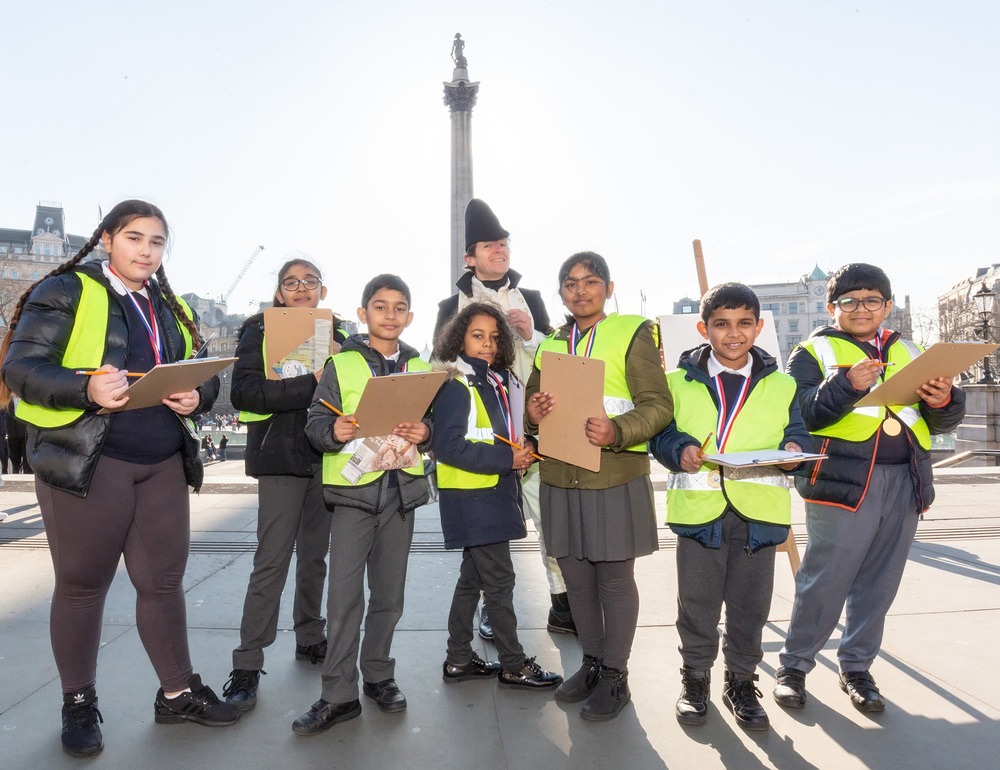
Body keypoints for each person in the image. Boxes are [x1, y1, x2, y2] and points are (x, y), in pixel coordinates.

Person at [0, 200, 240, 758]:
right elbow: (20, 367)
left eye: (157, 242)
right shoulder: (64, 288)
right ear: (107, 239)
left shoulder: (171, 304)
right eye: (135, 238)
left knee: (162, 584)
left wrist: (197, 395)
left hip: (161, 463)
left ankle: (177, 692)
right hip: (91, 461)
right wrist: (85, 389)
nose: (147, 251)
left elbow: (201, 370)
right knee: (84, 586)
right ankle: (78, 702)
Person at [773, 263, 966, 714]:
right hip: (842, 483)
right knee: (825, 581)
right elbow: (803, 415)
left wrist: (944, 400)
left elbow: (938, 421)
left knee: (880, 583)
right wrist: (844, 384)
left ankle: (856, 667)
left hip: (906, 480)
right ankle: (794, 668)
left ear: (888, 305)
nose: (861, 308)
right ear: (831, 306)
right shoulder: (812, 351)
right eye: (849, 301)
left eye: (871, 300)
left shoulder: (911, 350)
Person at [649, 283, 812, 731]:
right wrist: (678, 448)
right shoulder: (675, 383)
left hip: (759, 514)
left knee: (751, 606)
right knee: (697, 605)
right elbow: (659, 435)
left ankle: (740, 680)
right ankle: (695, 679)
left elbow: (798, 433)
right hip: (699, 515)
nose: (733, 333)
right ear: (704, 328)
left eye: (744, 324)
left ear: (758, 328)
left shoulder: (783, 384)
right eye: (721, 324)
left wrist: (796, 447)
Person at [526, 252, 673, 721]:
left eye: (591, 282)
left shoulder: (633, 331)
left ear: (609, 288)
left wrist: (618, 430)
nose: (580, 290)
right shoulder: (550, 342)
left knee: (612, 579)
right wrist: (533, 416)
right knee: (576, 577)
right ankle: (590, 662)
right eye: (570, 283)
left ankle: (616, 674)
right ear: (561, 292)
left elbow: (658, 405)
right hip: (559, 476)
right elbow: (533, 408)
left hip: (612, 474)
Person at [293, 274, 432, 736]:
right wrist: (334, 432)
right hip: (354, 496)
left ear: (409, 317)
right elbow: (316, 422)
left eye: (398, 308)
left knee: (389, 598)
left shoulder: (422, 366)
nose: (389, 315)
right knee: (343, 598)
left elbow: (435, 422)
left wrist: (425, 432)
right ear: (363, 313)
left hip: (401, 493)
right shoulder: (342, 364)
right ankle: (337, 694)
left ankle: (379, 676)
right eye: (380, 306)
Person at [434, 198, 574, 640]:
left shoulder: (531, 299)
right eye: (490, 245)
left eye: (504, 244)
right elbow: (436, 365)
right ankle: (490, 610)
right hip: (481, 436)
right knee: (487, 534)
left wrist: (531, 334)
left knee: (551, 519)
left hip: (532, 427)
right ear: (469, 257)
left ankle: (563, 602)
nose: (500, 250)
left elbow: (559, 358)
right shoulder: (448, 305)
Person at [223, 258, 347, 711]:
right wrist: (311, 383)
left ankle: (310, 636)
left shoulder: (341, 333)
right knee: (271, 561)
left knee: (316, 557)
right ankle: (248, 662)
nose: (300, 288)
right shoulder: (257, 329)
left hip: (326, 459)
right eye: (290, 282)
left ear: (322, 290)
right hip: (278, 457)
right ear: (279, 292)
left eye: (309, 281)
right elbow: (244, 393)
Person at [432, 302, 563, 691]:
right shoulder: (457, 384)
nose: (488, 344)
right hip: (475, 499)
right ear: (459, 339)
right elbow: (449, 446)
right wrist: (509, 458)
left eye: (494, 336)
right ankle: (513, 664)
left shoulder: (493, 381)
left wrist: (526, 446)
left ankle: (458, 659)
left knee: (471, 581)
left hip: (487, 494)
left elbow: (496, 435)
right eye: (477, 336)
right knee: (501, 583)